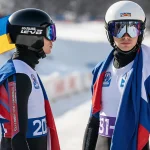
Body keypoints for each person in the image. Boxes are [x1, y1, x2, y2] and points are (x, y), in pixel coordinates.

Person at [82, 1, 150, 150]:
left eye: (133, 29)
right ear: (109, 32)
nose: (126, 36)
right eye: (118, 28)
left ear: (140, 32)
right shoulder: (100, 71)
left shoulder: (147, 70)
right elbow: (94, 121)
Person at [0, 8, 60, 150]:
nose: (53, 40)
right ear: (32, 34)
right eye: (50, 33)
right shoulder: (18, 75)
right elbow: (17, 137)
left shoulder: (26, 70)